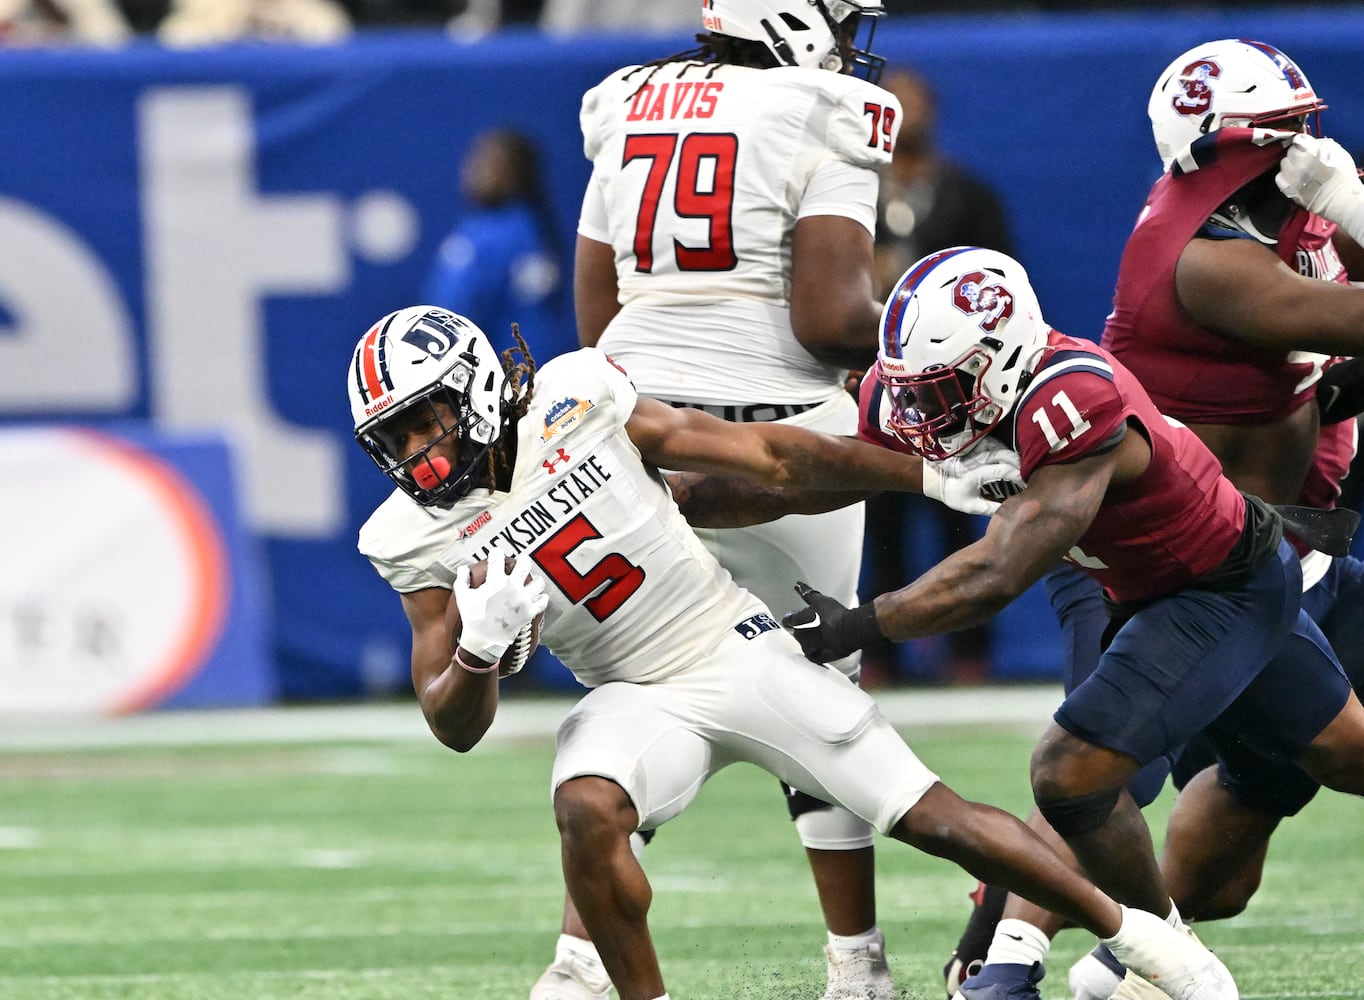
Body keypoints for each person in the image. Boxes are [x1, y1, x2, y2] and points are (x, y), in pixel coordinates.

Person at [348, 302, 1238, 1000]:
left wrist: (926, 475)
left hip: (728, 644)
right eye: (394, 440)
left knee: (934, 817)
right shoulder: (409, 537)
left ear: (473, 388)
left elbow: (767, 457)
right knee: (586, 805)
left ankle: (1138, 936)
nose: (416, 455)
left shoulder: (576, 397)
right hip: (631, 690)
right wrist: (478, 654)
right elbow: (452, 721)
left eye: (424, 422)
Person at [771, 245, 1364, 1000]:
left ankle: (1129, 960)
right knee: (1345, 757)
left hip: (1219, 586)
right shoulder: (938, 397)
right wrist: (682, 497)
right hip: (1128, 581)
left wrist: (854, 627)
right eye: (914, 390)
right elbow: (800, 467)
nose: (922, 413)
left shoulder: (1074, 395)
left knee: (1074, 773)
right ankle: (1127, 955)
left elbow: (994, 575)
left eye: (944, 389)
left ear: (1003, 354)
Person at [937, 41, 1364, 1000]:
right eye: (1282, 133)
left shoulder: (1280, 212)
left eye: (1307, 125)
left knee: (1240, 847)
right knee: (1104, 768)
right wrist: (1356, 212)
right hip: (1149, 556)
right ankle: (1000, 957)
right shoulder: (1203, 258)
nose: (1308, 147)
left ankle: (1118, 958)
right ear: (1214, 148)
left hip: (1276, 551)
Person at [568, 2, 901, 997]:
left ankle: (578, 965)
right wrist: (917, 332)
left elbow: (599, 314)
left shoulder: (622, 100)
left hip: (638, 436)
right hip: (781, 436)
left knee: (634, 687)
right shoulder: (825, 107)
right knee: (823, 685)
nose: (850, 42)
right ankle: (856, 965)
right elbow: (831, 314)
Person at [864, 66, 1015, 684]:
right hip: (875, 383)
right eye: (895, 103)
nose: (907, 114)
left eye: (916, 101)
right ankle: (877, 653)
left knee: (965, 520)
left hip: (959, 388)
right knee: (879, 521)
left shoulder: (968, 194)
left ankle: (967, 653)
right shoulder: (847, 199)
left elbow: (1004, 282)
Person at [422, 128, 570, 363]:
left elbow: (453, 318)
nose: (473, 170)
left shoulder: (501, 234)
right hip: (522, 374)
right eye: (474, 159)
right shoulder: (527, 227)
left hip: (501, 377)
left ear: (515, 174)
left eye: (487, 162)